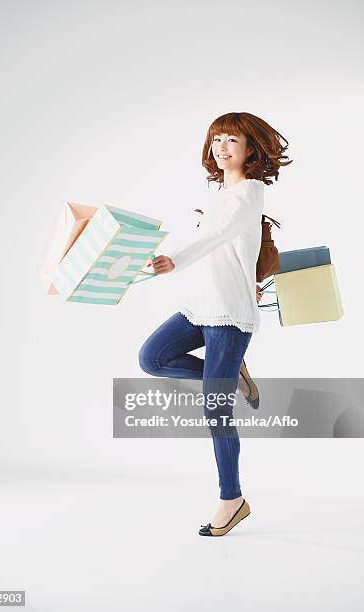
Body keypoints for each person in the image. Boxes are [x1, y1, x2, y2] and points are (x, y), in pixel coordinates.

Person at [138, 112, 292, 537]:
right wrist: (164, 255)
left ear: (250, 149)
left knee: (215, 408)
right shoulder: (220, 192)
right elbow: (204, 238)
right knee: (152, 357)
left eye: (232, 140)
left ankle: (232, 499)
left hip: (229, 312)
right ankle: (234, 379)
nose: (222, 148)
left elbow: (217, 236)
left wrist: (177, 258)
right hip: (198, 306)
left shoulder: (249, 192)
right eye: (217, 140)